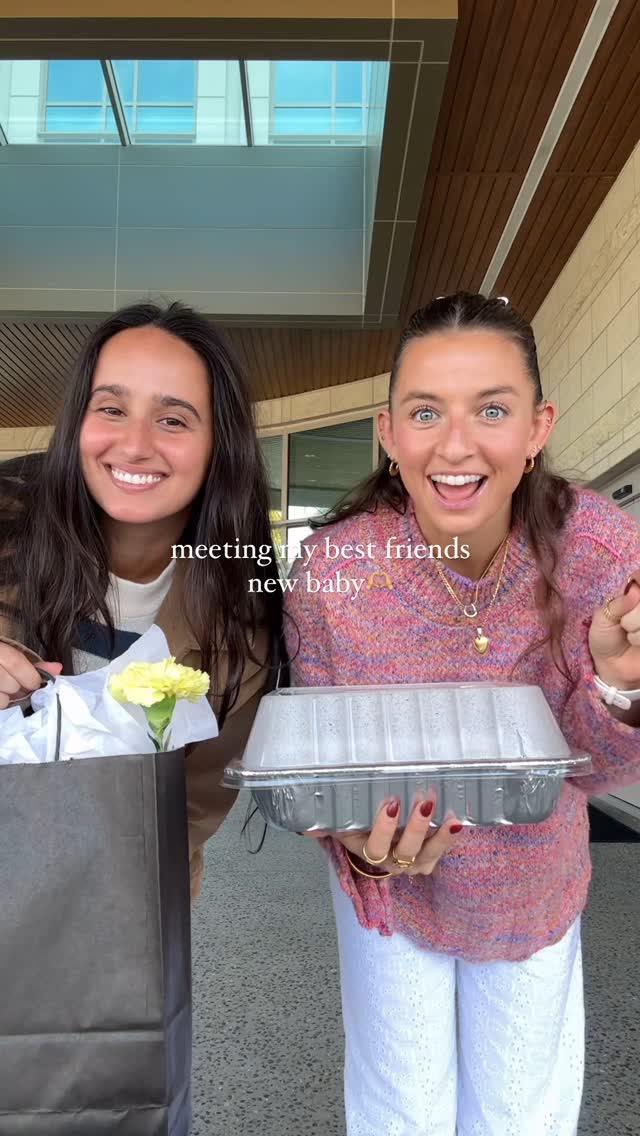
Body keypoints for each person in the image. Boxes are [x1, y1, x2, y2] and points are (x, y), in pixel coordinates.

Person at [284, 292, 640, 1135]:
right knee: (401, 1108)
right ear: (388, 432)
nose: (454, 445)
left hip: (533, 882)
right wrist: (356, 847)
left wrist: (619, 688)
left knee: (520, 1112)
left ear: (538, 426)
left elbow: (600, 773)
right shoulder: (333, 570)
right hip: (394, 893)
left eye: (491, 409)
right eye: (424, 412)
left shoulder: (596, 549)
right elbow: (314, 760)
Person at [0, 300, 284, 899]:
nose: (134, 445)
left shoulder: (243, 618)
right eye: (111, 408)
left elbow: (189, 810)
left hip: (125, 905)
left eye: (173, 420)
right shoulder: (9, 523)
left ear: (218, 445)